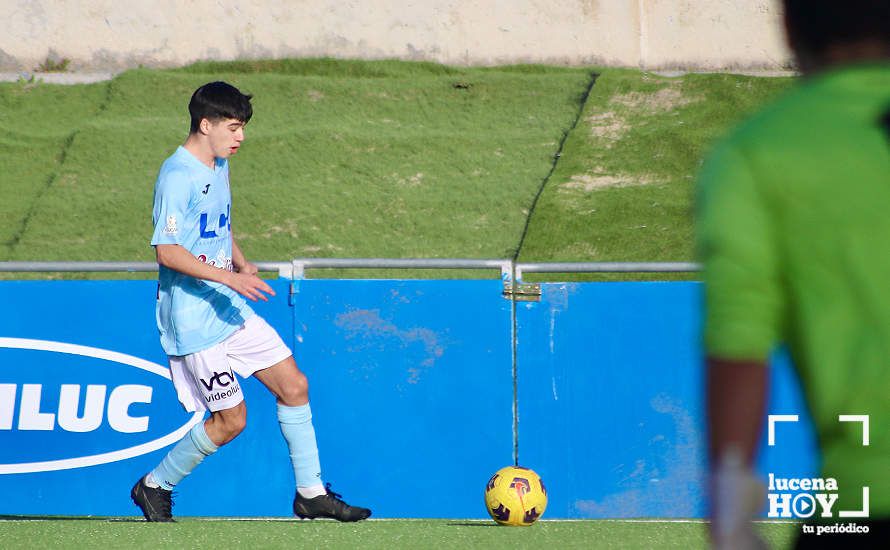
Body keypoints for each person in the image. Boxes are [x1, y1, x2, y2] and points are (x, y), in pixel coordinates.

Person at [131, 81, 371, 522]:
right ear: (206, 124)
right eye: (234, 127)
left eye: (242, 127)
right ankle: (154, 485)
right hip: (192, 319)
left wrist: (241, 264)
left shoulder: (218, 163)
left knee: (294, 386)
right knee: (231, 422)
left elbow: (214, 226)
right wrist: (228, 277)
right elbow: (167, 250)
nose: (240, 137)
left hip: (227, 304)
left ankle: (311, 494)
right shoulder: (176, 175)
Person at [698, 1, 889, 548]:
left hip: (865, 509)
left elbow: (738, 339)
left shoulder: (758, 152)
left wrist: (731, 513)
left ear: (787, 26)